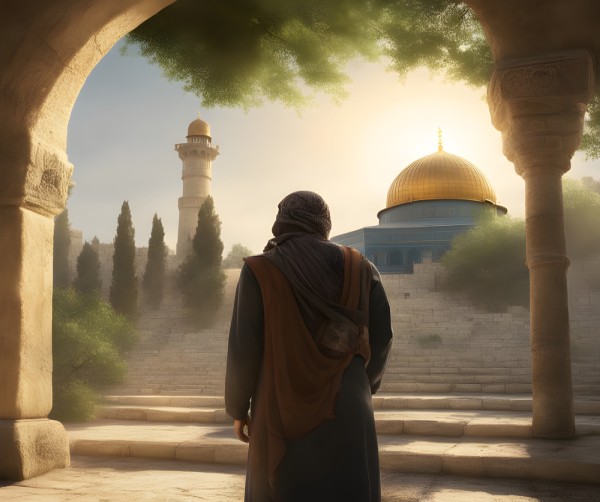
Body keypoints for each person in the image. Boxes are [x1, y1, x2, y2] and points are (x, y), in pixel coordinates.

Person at [225, 191, 393, 502]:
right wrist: (362, 386)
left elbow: (244, 347)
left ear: (282, 220)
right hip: (348, 403)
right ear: (324, 222)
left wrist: (238, 408)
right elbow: (382, 337)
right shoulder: (362, 267)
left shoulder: (259, 270)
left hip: (280, 401)